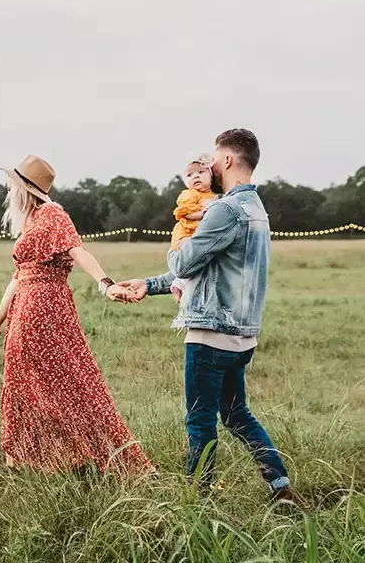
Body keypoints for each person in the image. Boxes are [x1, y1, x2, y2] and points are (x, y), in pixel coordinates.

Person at [120, 130, 294, 500]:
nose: (209, 165)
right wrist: (149, 285)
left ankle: (197, 500)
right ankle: (280, 485)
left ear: (228, 161)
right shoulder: (256, 210)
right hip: (242, 335)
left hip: (210, 334)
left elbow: (185, 261)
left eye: (214, 158)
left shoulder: (225, 209)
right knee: (236, 415)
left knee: (200, 421)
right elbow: (208, 269)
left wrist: (177, 242)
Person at [0, 155, 152, 475]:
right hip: (25, 311)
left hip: (45, 310)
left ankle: (78, 456)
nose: (6, 189)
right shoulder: (31, 221)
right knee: (23, 385)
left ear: (24, 188)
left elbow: (78, 250)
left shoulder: (52, 215)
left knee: (69, 383)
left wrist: (106, 284)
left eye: (11, 184)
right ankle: (32, 461)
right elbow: (18, 278)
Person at [169, 155, 217, 303]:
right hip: (186, 232)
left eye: (201, 172)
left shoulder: (213, 195)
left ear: (211, 175)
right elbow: (186, 212)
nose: (195, 176)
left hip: (197, 232)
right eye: (190, 175)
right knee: (193, 255)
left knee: (199, 260)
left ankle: (179, 284)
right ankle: (180, 284)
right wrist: (202, 213)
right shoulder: (188, 194)